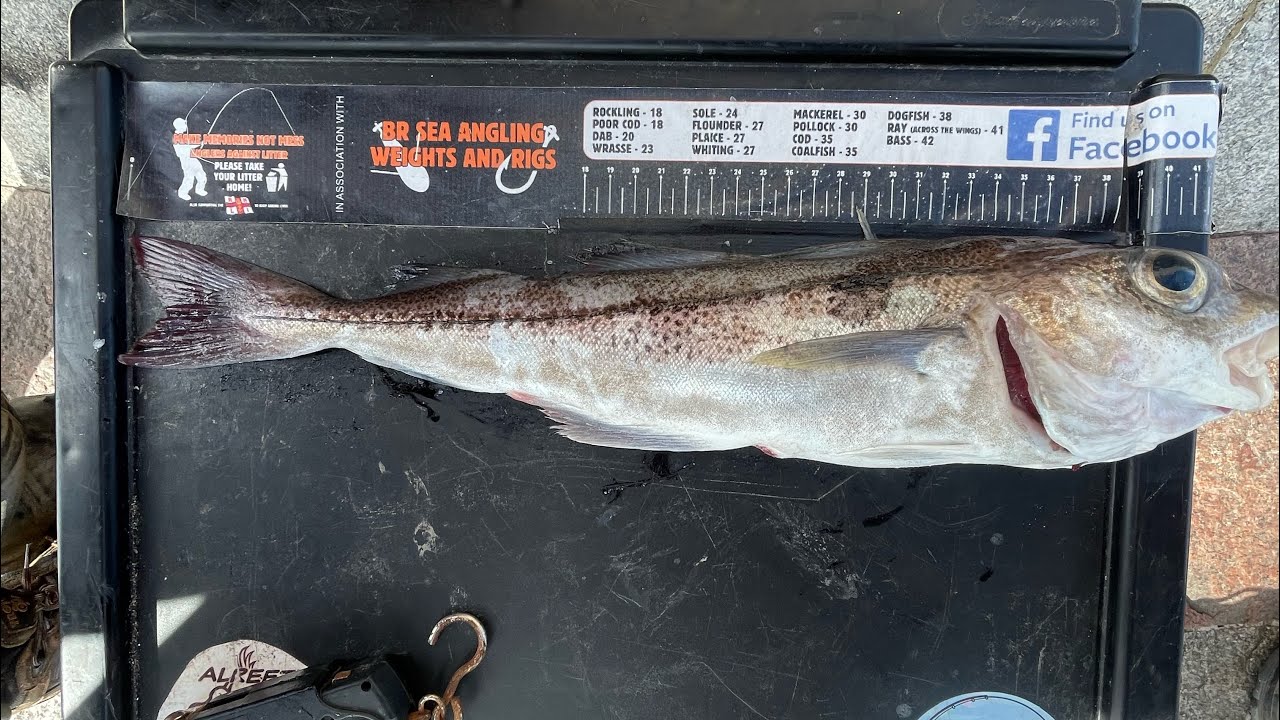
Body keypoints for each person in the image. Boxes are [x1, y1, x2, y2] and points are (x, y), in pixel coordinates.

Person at [172, 117, 208, 201]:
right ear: (180, 126)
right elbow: (184, 149)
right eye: (184, 124)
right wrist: (198, 144)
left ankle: (199, 189)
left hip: (192, 158)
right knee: (189, 178)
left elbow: (189, 145)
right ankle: (182, 193)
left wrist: (200, 143)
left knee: (201, 174)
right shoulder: (176, 137)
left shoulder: (182, 136)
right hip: (186, 160)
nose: (186, 126)